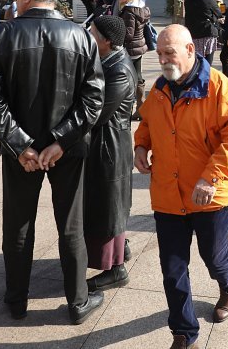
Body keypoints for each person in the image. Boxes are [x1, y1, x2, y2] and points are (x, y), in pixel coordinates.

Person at [0, 0, 106, 324]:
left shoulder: (4, 34)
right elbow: (93, 100)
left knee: (18, 225)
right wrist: (61, 141)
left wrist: (23, 146)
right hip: (65, 149)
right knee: (71, 225)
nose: (13, 0)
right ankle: (77, 302)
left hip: (25, 152)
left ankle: (17, 299)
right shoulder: (81, 36)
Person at [133, 24, 228, 349]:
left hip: (210, 196)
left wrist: (210, 177)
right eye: (158, 53)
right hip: (168, 196)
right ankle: (184, 335)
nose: (162, 59)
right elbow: (146, 123)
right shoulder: (160, 87)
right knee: (172, 270)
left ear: (190, 50)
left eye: (168, 52)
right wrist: (141, 147)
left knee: (214, 257)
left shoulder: (216, 86)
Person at [85, 15, 136, 291]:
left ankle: (116, 269)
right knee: (107, 206)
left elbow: (98, 113)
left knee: (109, 208)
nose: (88, 35)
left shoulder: (120, 70)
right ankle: (120, 250)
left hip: (111, 148)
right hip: (104, 145)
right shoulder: (107, 59)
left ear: (106, 41)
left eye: (91, 32)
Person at [116, 0, 150, 120]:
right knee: (138, 77)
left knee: (129, 80)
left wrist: (115, 36)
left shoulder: (129, 11)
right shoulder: (139, 8)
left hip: (131, 48)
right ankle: (141, 108)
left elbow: (128, 34)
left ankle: (129, 110)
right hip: (139, 46)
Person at [184, 0, 222, 64]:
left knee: (195, 63)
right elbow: (219, 13)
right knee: (207, 63)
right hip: (207, 33)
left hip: (193, 34)